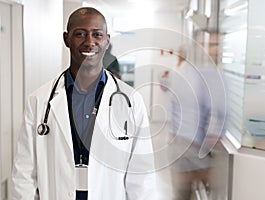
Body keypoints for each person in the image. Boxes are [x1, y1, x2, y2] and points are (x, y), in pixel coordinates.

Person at [12, 7, 157, 200]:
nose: (89, 42)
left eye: (97, 34)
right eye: (80, 34)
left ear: (107, 40)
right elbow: (24, 173)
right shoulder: (39, 100)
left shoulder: (131, 102)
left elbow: (143, 176)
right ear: (66, 39)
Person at [167, 45, 214, 200]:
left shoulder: (189, 73)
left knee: (185, 187)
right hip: (183, 138)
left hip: (190, 140)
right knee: (183, 189)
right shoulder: (179, 71)